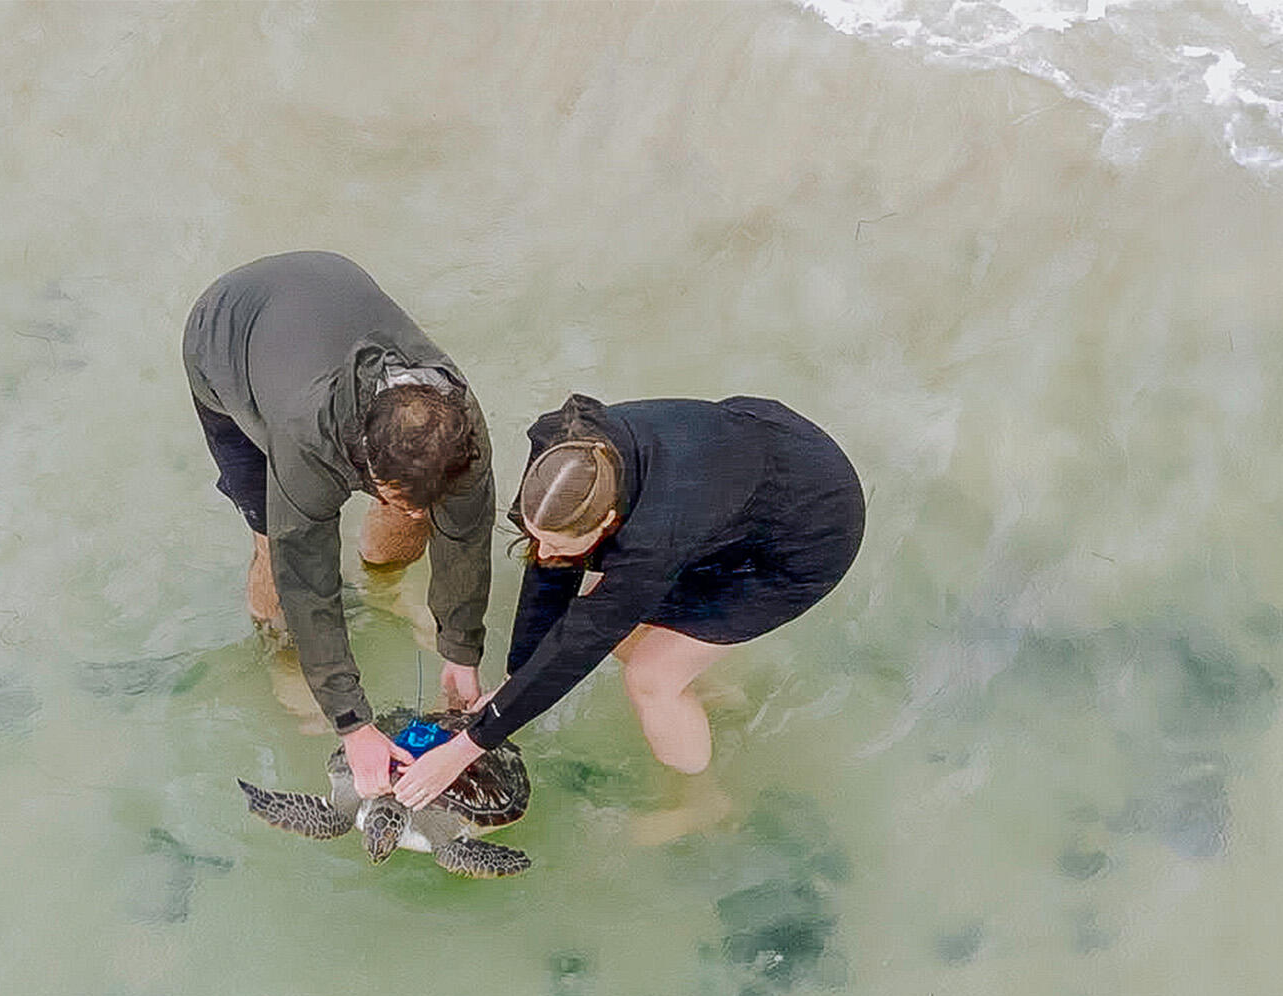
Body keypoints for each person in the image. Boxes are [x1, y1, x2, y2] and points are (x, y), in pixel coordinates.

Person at [392, 392, 864, 816]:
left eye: (563, 546)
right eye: (538, 536)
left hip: (807, 531)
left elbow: (582, 641)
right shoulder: (561, 458)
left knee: (651, 677)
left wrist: (465, 749)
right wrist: (519, 676)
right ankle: (715, 695)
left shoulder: (653, 541)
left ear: (611, 521)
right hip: (746, 466)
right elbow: (551, 570)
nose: (547, 554)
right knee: (609, 624)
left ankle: (703, 803)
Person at [183, 251, 495, 799]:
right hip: (227, 339)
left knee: (423, 509)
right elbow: (308, 575)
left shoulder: (459, 422)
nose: (422, 512)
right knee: (274, 546)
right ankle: (281, 649)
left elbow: (466, 536)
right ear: (367, 465)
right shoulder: (307, 439)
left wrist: (461, 652)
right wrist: (350, 719)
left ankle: (384, 585)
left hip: (323, 293)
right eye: (398, 495)